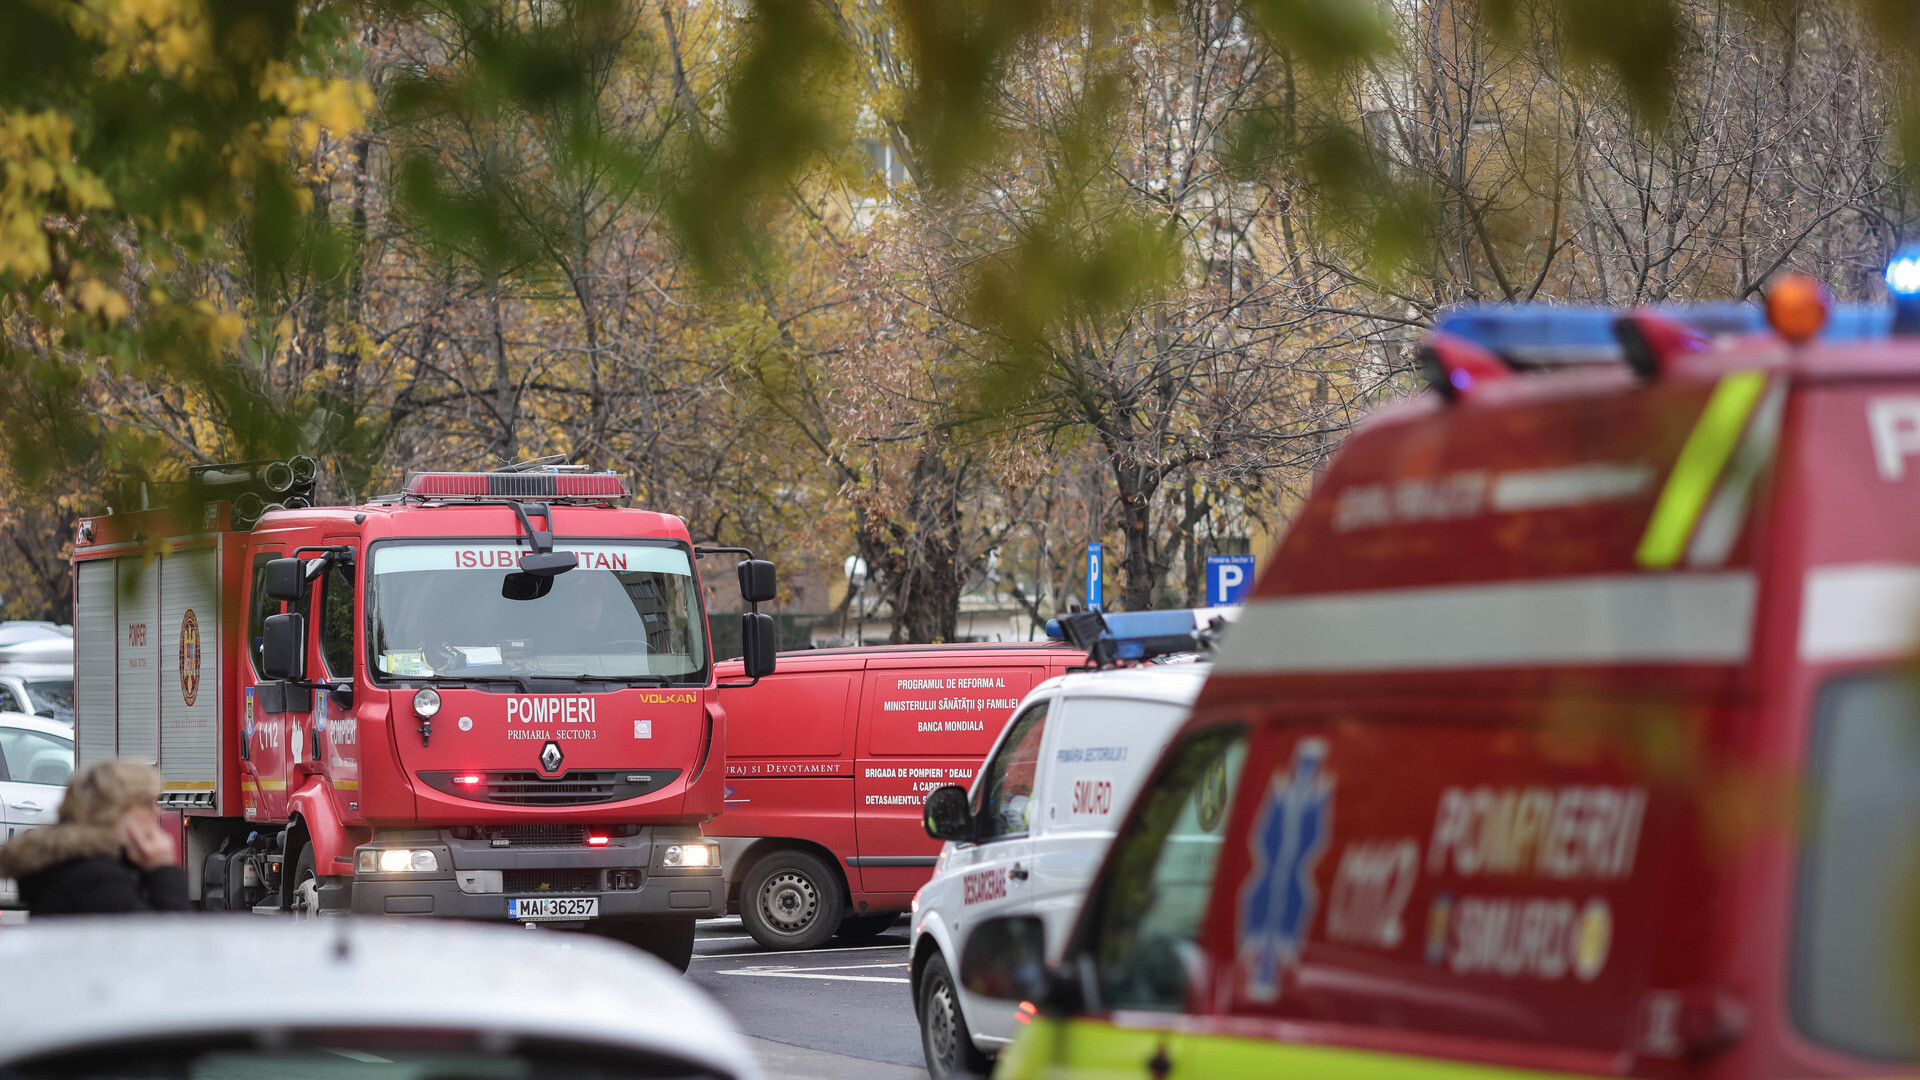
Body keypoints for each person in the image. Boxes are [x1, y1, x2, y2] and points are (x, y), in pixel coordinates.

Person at [0, 760, 190, 914]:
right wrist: (163, 869)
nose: (158, 813)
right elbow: (169, 943)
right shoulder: (97, 877)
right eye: (147, 803)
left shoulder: (74, 864)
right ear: (112, 811)